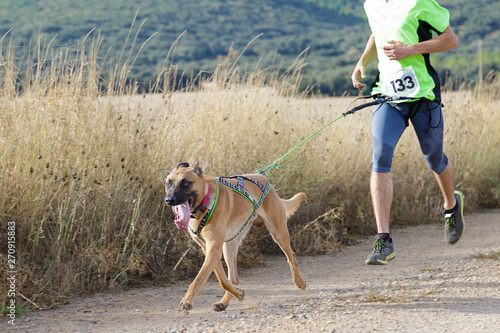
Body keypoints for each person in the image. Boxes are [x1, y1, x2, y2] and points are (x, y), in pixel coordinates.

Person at [351, 0, 465, 265]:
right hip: (388, 97)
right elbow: (377, 33)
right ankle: (383, 239)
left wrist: (410, 49)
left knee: (434, 159)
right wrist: (362, 61)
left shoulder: (419, 2)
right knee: (380, 159)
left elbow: (450, 40)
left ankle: (451, 206)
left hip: (423, 95)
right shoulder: (372, 5)